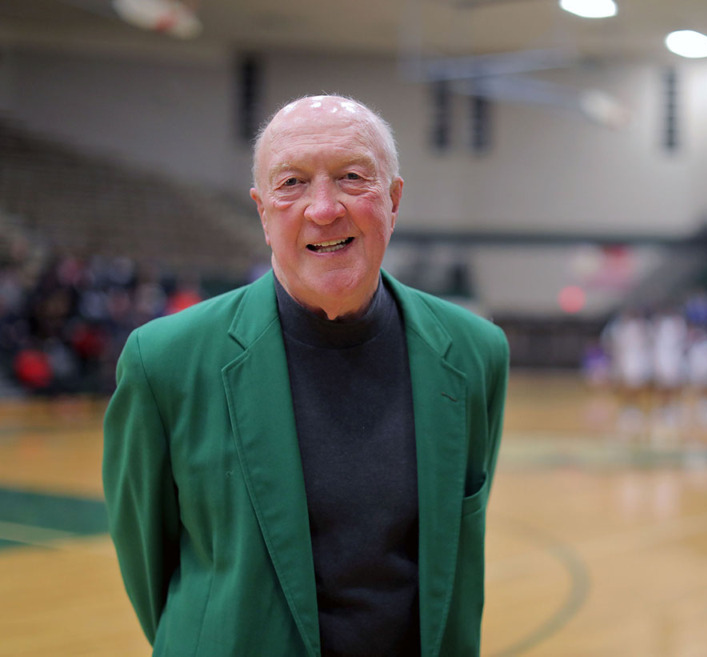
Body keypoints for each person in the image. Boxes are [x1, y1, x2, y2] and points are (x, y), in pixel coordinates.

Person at [102, 95, 510, 657]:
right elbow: (148, 561)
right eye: (291, 183)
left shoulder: (473, 353)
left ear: (393, 200)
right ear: (263, 212)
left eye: (351, 177)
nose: (323, 208)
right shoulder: (164, 360)